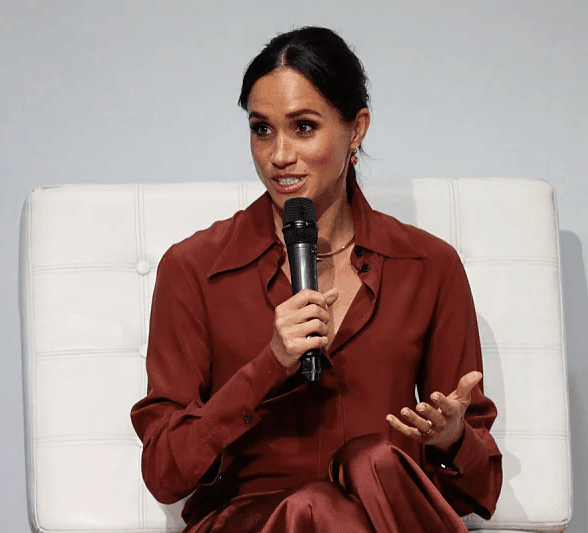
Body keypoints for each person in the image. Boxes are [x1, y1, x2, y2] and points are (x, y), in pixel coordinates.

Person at [131, 26, 502, 532]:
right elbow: (164, 472)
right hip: (249, 523)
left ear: (357, 129)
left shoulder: (429, 266)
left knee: (373, 459)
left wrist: (452, 439)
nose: (279, 155)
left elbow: (480, 491)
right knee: (314, 506)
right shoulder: (194, 268)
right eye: (262, 129)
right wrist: (269, 365)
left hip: (382, 517)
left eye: (303, 127)